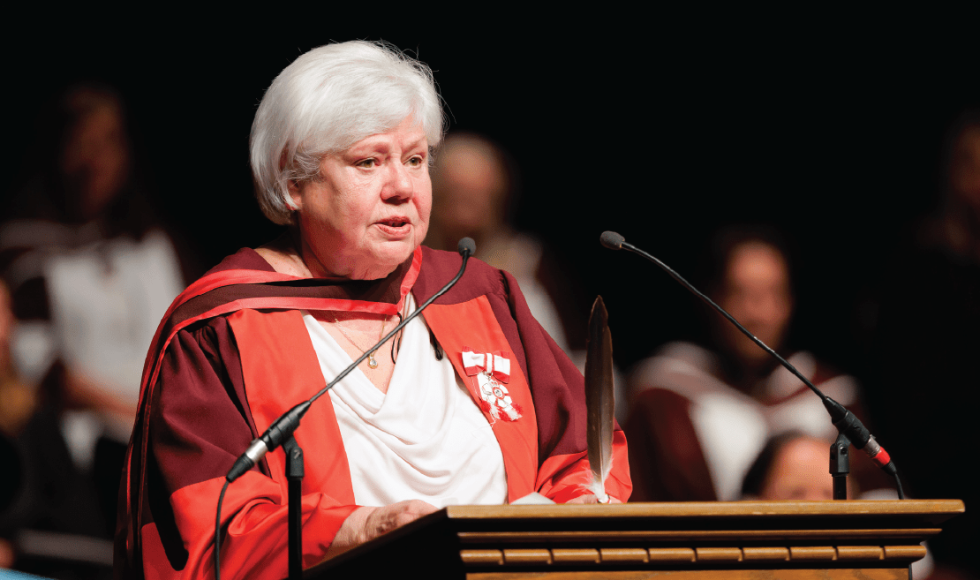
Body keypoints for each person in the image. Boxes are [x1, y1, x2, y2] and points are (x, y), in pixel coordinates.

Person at [116, 41, 631, 579]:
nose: (403, 188)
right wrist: (359, 531)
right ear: (294, 184)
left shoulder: (477, 293)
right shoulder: (223, 327)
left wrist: (578, 509)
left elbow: (583, 454)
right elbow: (210, 529)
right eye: (369, 162)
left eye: (414, 160)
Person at [624, 227, 879, 502]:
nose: (757, 313)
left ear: (790, 303)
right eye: (741, 293)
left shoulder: (833, 397)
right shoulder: (664, 396)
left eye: (771, 293)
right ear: (713, 299)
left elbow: (877, 496)